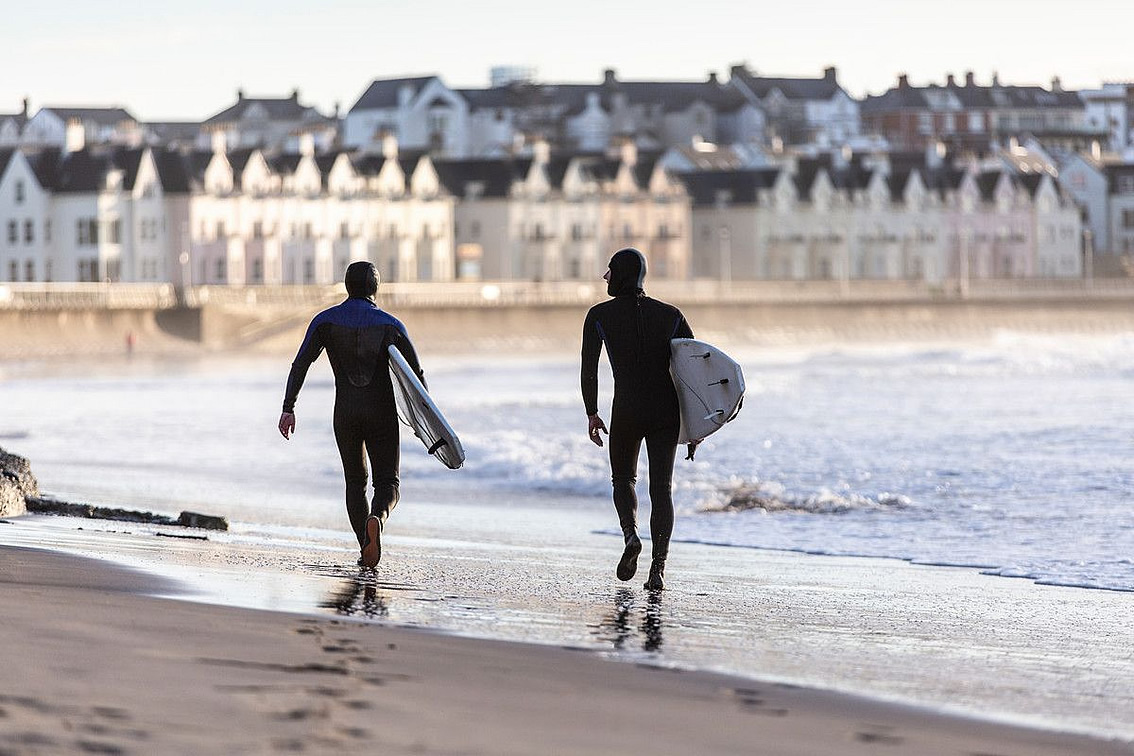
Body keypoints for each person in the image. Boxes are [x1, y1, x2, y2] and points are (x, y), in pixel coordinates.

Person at [278, 261, 425, 569]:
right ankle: (378, 518)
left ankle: (365, 547)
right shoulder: (391, 325)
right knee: (388, 483)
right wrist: (425, 425)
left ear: (347, 286)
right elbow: (416, 379)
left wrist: (288, 408)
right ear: (376, 288)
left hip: (345, 411)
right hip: (381, 411)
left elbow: (300, 364)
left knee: (355, 482)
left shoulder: (325, 322)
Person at [581, 248, 693, 590]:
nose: (605, 277)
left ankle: (631, 536)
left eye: (610, 270)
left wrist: (592, 412)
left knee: (623, 480)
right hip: (665, 411)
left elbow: (589, 370)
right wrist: (697, 425)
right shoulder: (670, 314)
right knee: (662, 489)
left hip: (627, 409)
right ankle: (657, 569)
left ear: (623, 274)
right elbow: (694, 370)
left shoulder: (599, 315)